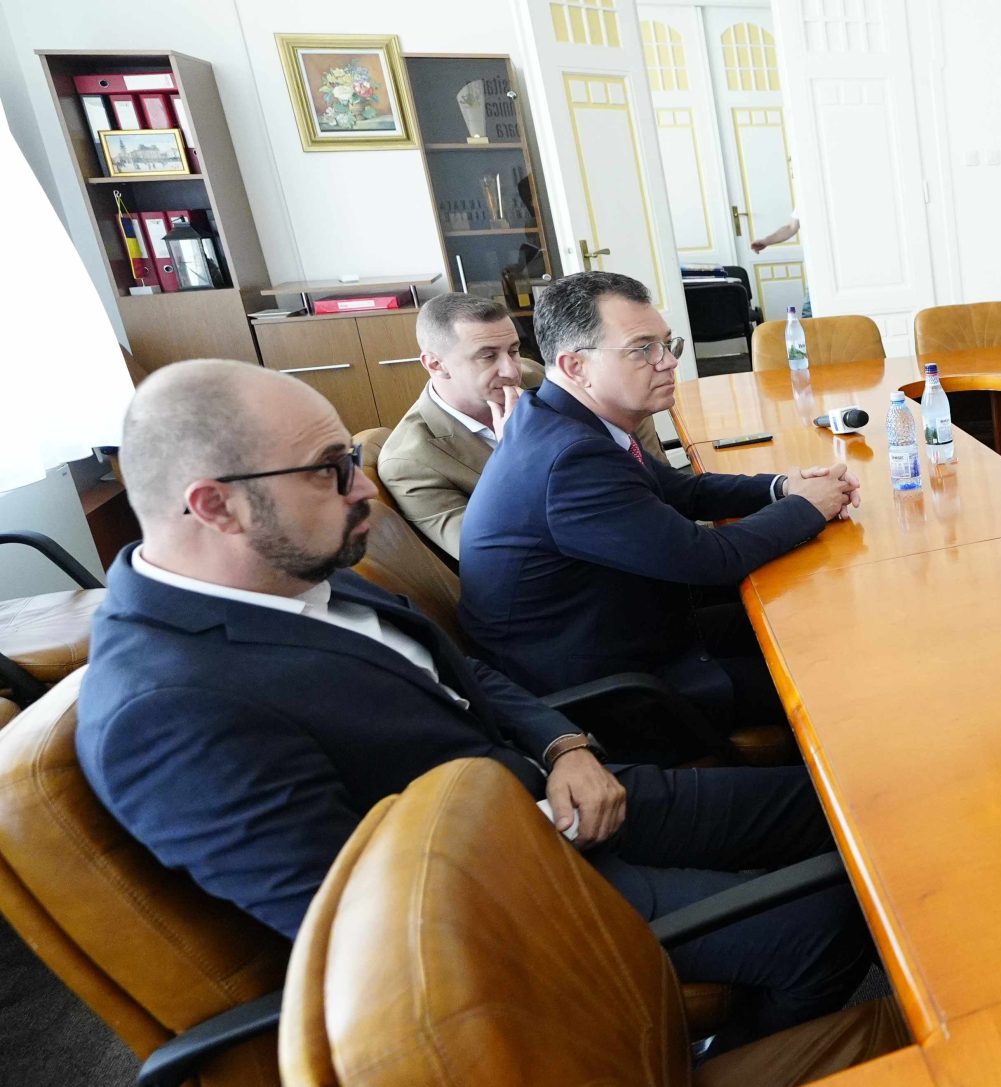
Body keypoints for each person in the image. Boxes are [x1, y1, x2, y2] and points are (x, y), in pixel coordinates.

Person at [76, 359, 875, 1047]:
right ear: (215, 505)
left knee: (850, 804)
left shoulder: (283, 566)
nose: (363, 487)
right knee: (831, 921)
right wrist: (541, 817)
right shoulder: (164, 711)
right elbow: (374, 920)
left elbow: (467, 673)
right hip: (521, 891)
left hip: (570, 789)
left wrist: (564, 745)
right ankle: (724, 1056)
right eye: (330, 469)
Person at [458, 271, 859, 736]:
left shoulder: (562, 416)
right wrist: (808, 507)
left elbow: (679, 490)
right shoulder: (570, 459)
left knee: (825, 622)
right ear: (575, 366)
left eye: (667, 344)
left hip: (630, 626)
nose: (668, 362)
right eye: (643, 349)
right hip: (609, 691)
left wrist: (783, 487)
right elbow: (709, 559)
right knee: (839, 677)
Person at [380, 293, 671, 559]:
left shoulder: (533, 377)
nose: (511, 370)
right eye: (488, 356)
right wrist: (516, 453)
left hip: (636, 519)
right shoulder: (410, 462)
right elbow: (484, 553)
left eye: (514, 350)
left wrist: (660, 493)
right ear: (435, 365)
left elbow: (624, 409)